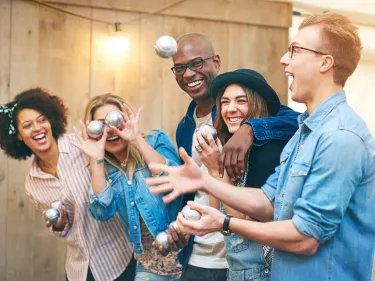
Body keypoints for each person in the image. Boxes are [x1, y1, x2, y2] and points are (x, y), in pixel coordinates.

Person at [146, 13, 375, 281]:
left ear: (325, 62)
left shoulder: (340, 136)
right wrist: (205, 181)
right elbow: (268, 203)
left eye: (295, 50)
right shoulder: (305, 132)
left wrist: (224, 222)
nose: (284, 59)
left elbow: (306, 237)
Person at [163, 33, 299, 281]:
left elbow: (296, 120)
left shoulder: (257, 135)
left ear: (215, 62)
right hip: (205, 249)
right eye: (180, 68)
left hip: (248, 259)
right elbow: (202, 189)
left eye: (196, 63)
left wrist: (250, 129)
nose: (188, 74)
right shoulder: (186, 125)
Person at [0, 88, 136, 281]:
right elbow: (65, 229)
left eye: (41, 120)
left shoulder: (82, 146)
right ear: (20, 135)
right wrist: (60, 224)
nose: (37, 128)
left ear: (51, 121)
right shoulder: (33, 185)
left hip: (118, 261)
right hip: (78, 271)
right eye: (27, 125)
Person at [71, 93, 182, 281]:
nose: (111, 130)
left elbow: (173, 180)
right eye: (101, 124)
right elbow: (101, 212)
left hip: (186, 259)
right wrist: (96, 161)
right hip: (149, 268)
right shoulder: (105, 170)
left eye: (115, 120)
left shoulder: (154, 140)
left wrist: (136, 139)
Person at [195, 68, 287, 280]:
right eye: (225, 102)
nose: (231, 109)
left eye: (241, 101)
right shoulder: (231, 149)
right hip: (238, 270)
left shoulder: (268, 148)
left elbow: (245, 219)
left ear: (257, 105)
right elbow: (217, 214)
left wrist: (217, 171)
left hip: (261, 270)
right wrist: (213, 167)